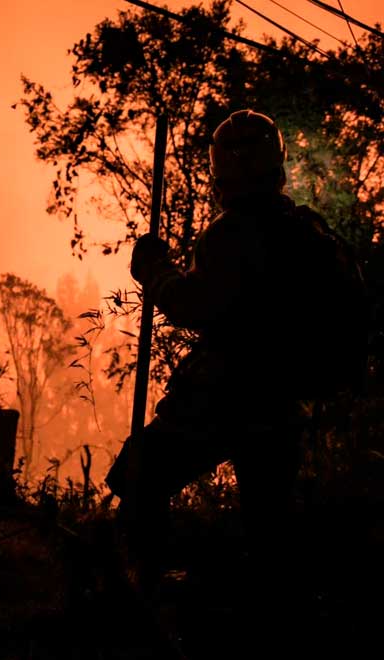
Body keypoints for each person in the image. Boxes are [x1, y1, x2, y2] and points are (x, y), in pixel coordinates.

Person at [106, 109, 365, 590]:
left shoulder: (231, 233)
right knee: (269, 531)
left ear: (220, 169)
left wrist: (153, 270)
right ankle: (265, 620)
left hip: (227, 398)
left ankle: (143, 591)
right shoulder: (309, 230)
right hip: (284, 405)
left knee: (141, 473)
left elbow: (195, 306)